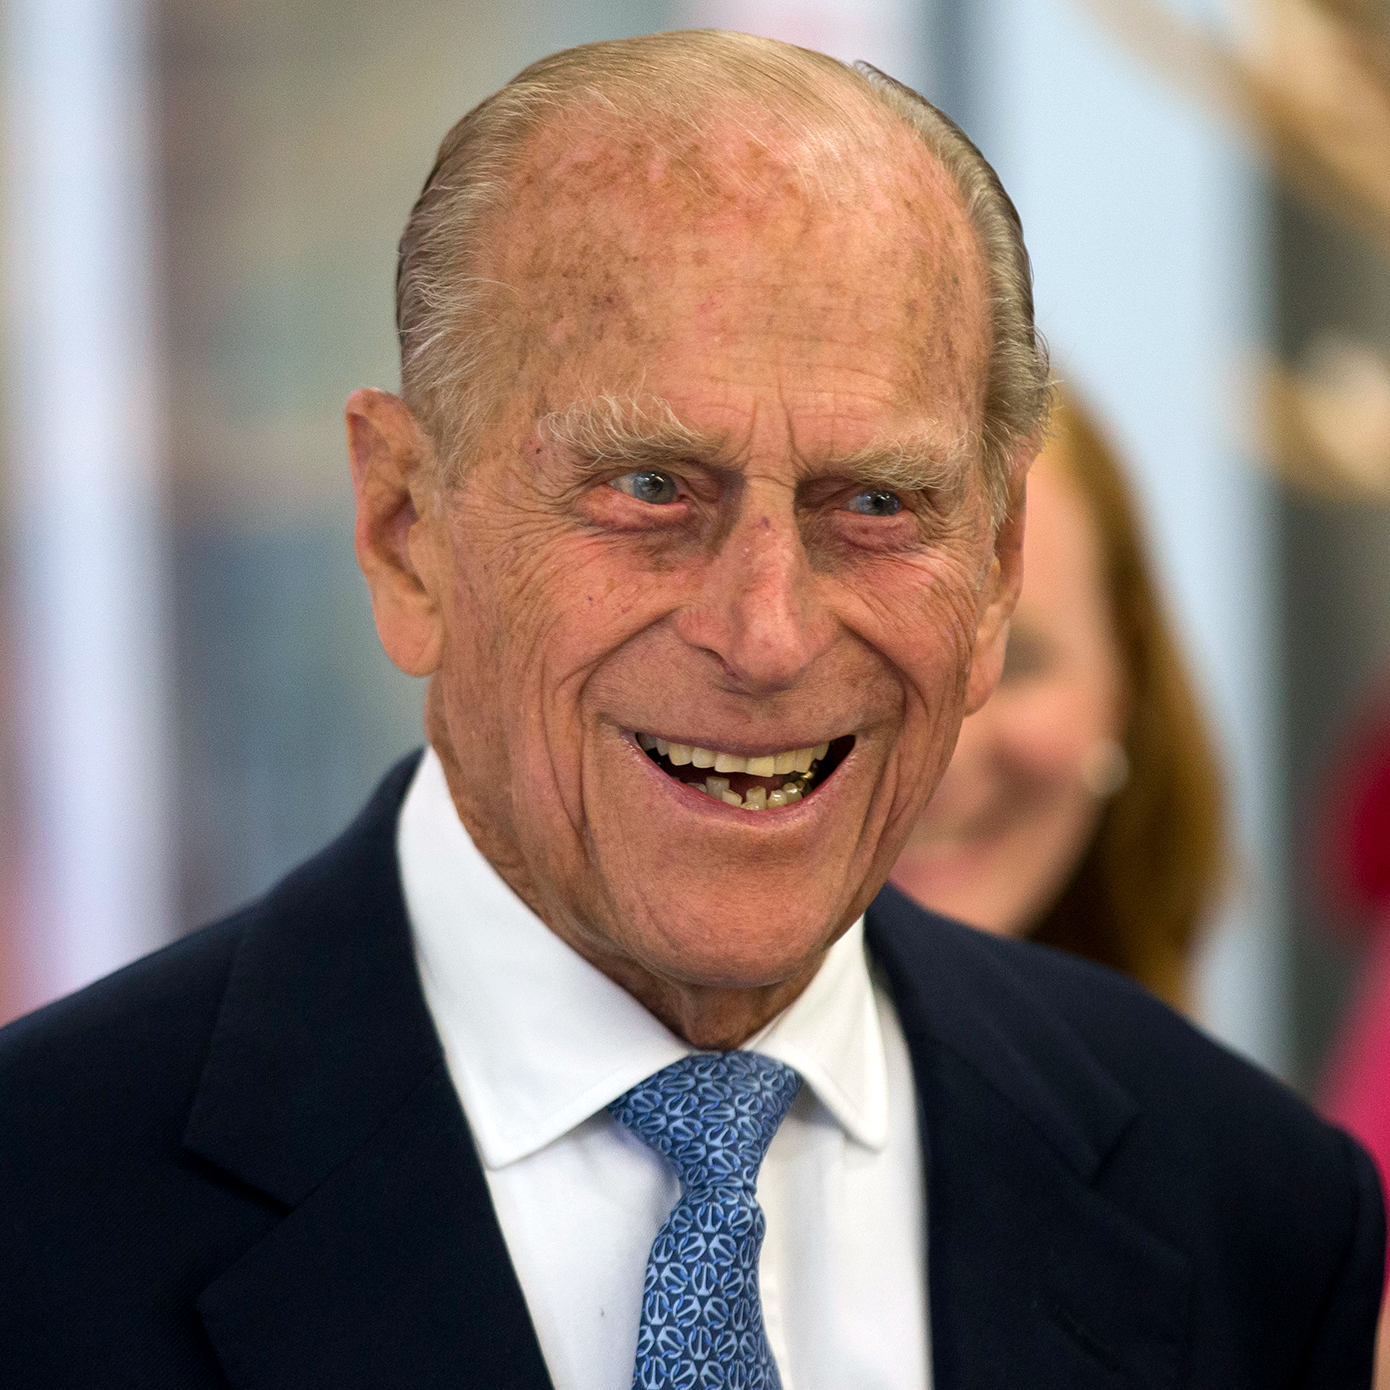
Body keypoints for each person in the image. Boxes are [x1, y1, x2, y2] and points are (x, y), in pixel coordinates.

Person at [0, 31, 1382, 1390]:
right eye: (649, 488)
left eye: (875, 502)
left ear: (994, 572)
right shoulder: (40, 1210)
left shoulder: (1247, 1213)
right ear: (404, 529)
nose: (766, 634)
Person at [888, 385, 1225, 1011]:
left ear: (1124, 676)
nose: (945, 756)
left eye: (1015, 661)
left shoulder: (1187, 1073)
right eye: (883, 661)